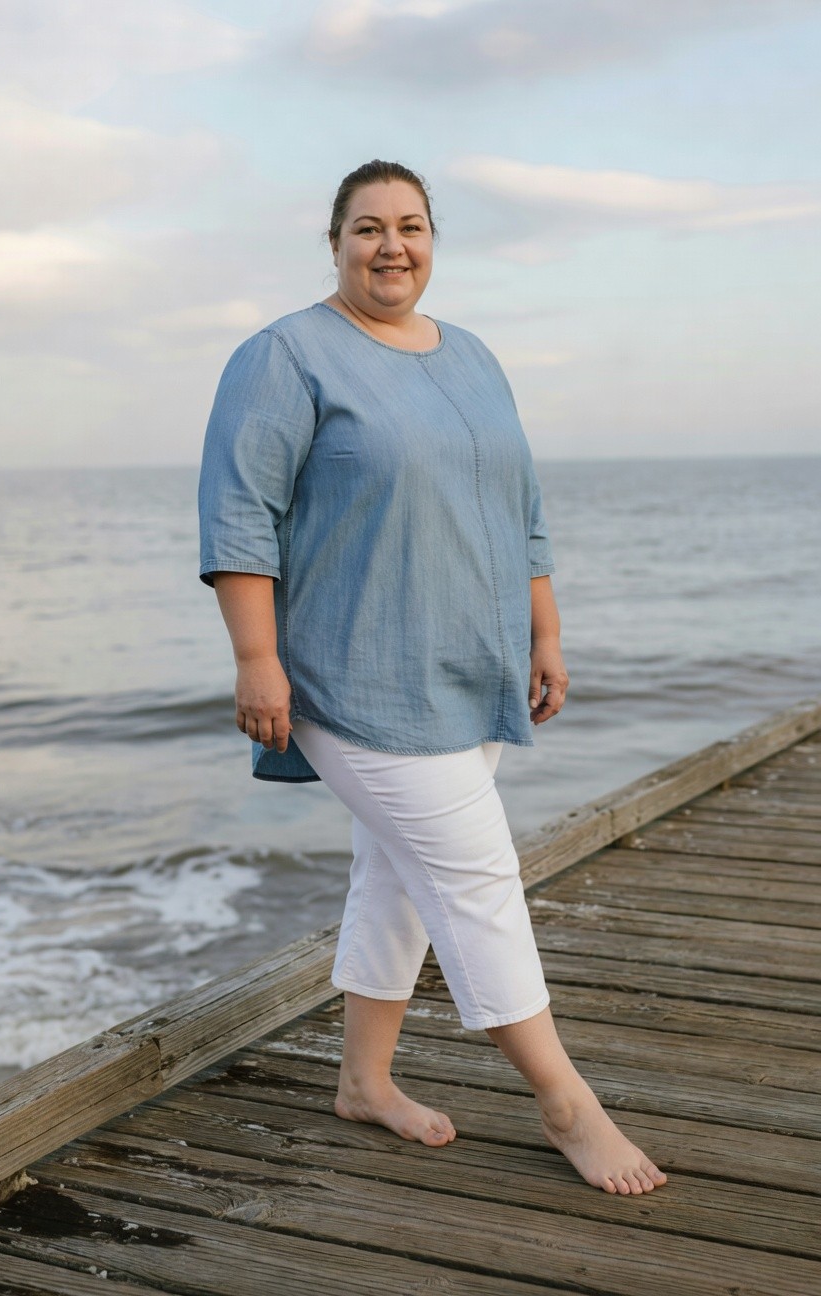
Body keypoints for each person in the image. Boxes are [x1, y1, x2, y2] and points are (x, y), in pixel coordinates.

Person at [198, 159, 667, 1195]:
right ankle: (565, 1103)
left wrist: (544, 634)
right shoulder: (284, 357)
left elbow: (522, 507)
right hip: (350, 677)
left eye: (410, 226)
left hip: (470, 669)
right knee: (476, 880)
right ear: (335, 243)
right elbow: (240, 516)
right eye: (368, 228)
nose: (391, 246)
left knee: (398, 881)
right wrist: (256, 659)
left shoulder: (474, 357)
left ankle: (364, 1082)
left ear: (432, 241)